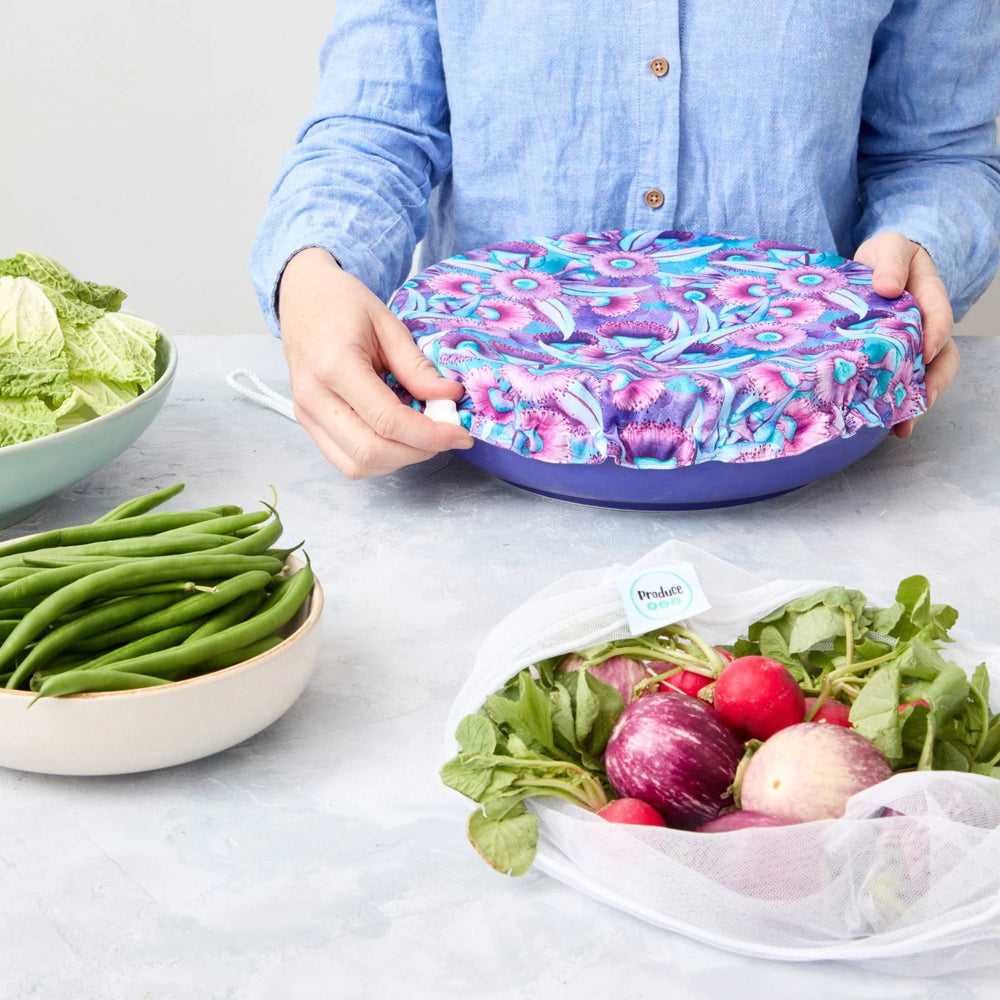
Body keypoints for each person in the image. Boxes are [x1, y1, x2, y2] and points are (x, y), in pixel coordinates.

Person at [250, 1, 1000, 480]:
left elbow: (937, 152)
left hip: (818, 478)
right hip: (477, 471)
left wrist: (926, 240)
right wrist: (315, 269)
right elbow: (378, 129)